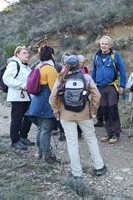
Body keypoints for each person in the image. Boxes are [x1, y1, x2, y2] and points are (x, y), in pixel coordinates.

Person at [49, 54, 107, 185]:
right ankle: (99, 167)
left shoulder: (61, 78)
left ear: (66, 65)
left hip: (66, 114)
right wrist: (93, 111)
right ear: (79, 65)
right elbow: (97, 95)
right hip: (84, 113)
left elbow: (52, 98)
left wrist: (57, 112)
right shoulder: (86, 78)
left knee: (72, 142)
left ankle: (76, 173)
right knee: (91, 139)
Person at [25, 45, 59, 163]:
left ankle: (39, 153)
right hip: (46, 103)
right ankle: (46, 155)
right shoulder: (50, 69)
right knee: (46, 129)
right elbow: (54, 89)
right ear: (52, 55)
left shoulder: (38, 67)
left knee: (40, 128)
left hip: (36, 102)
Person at [91, 36, 126, 144]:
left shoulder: (115, 55)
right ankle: (109, 133)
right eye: (102, 43)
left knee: (112, 110)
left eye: (106, 44)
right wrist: (92, 86)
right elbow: (94, 71)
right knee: (104, 111)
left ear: (110, 45)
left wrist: (122, 86)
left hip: (111, 87)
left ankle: (116, 133)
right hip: (100, 87)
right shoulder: (96, 56)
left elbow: (122, 70)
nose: (104, 46)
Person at [2, 46, 33, 151]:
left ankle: (23, 137)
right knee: (17, 119)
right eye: (24, 53)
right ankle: (15, 141)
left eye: (27, 53)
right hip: (17, 97)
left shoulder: (25, 66)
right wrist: (22, 85)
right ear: (17, 54)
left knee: (29, 116)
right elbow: (6, 78)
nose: (27, 54)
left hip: (26, 97)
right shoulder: (14, 64)